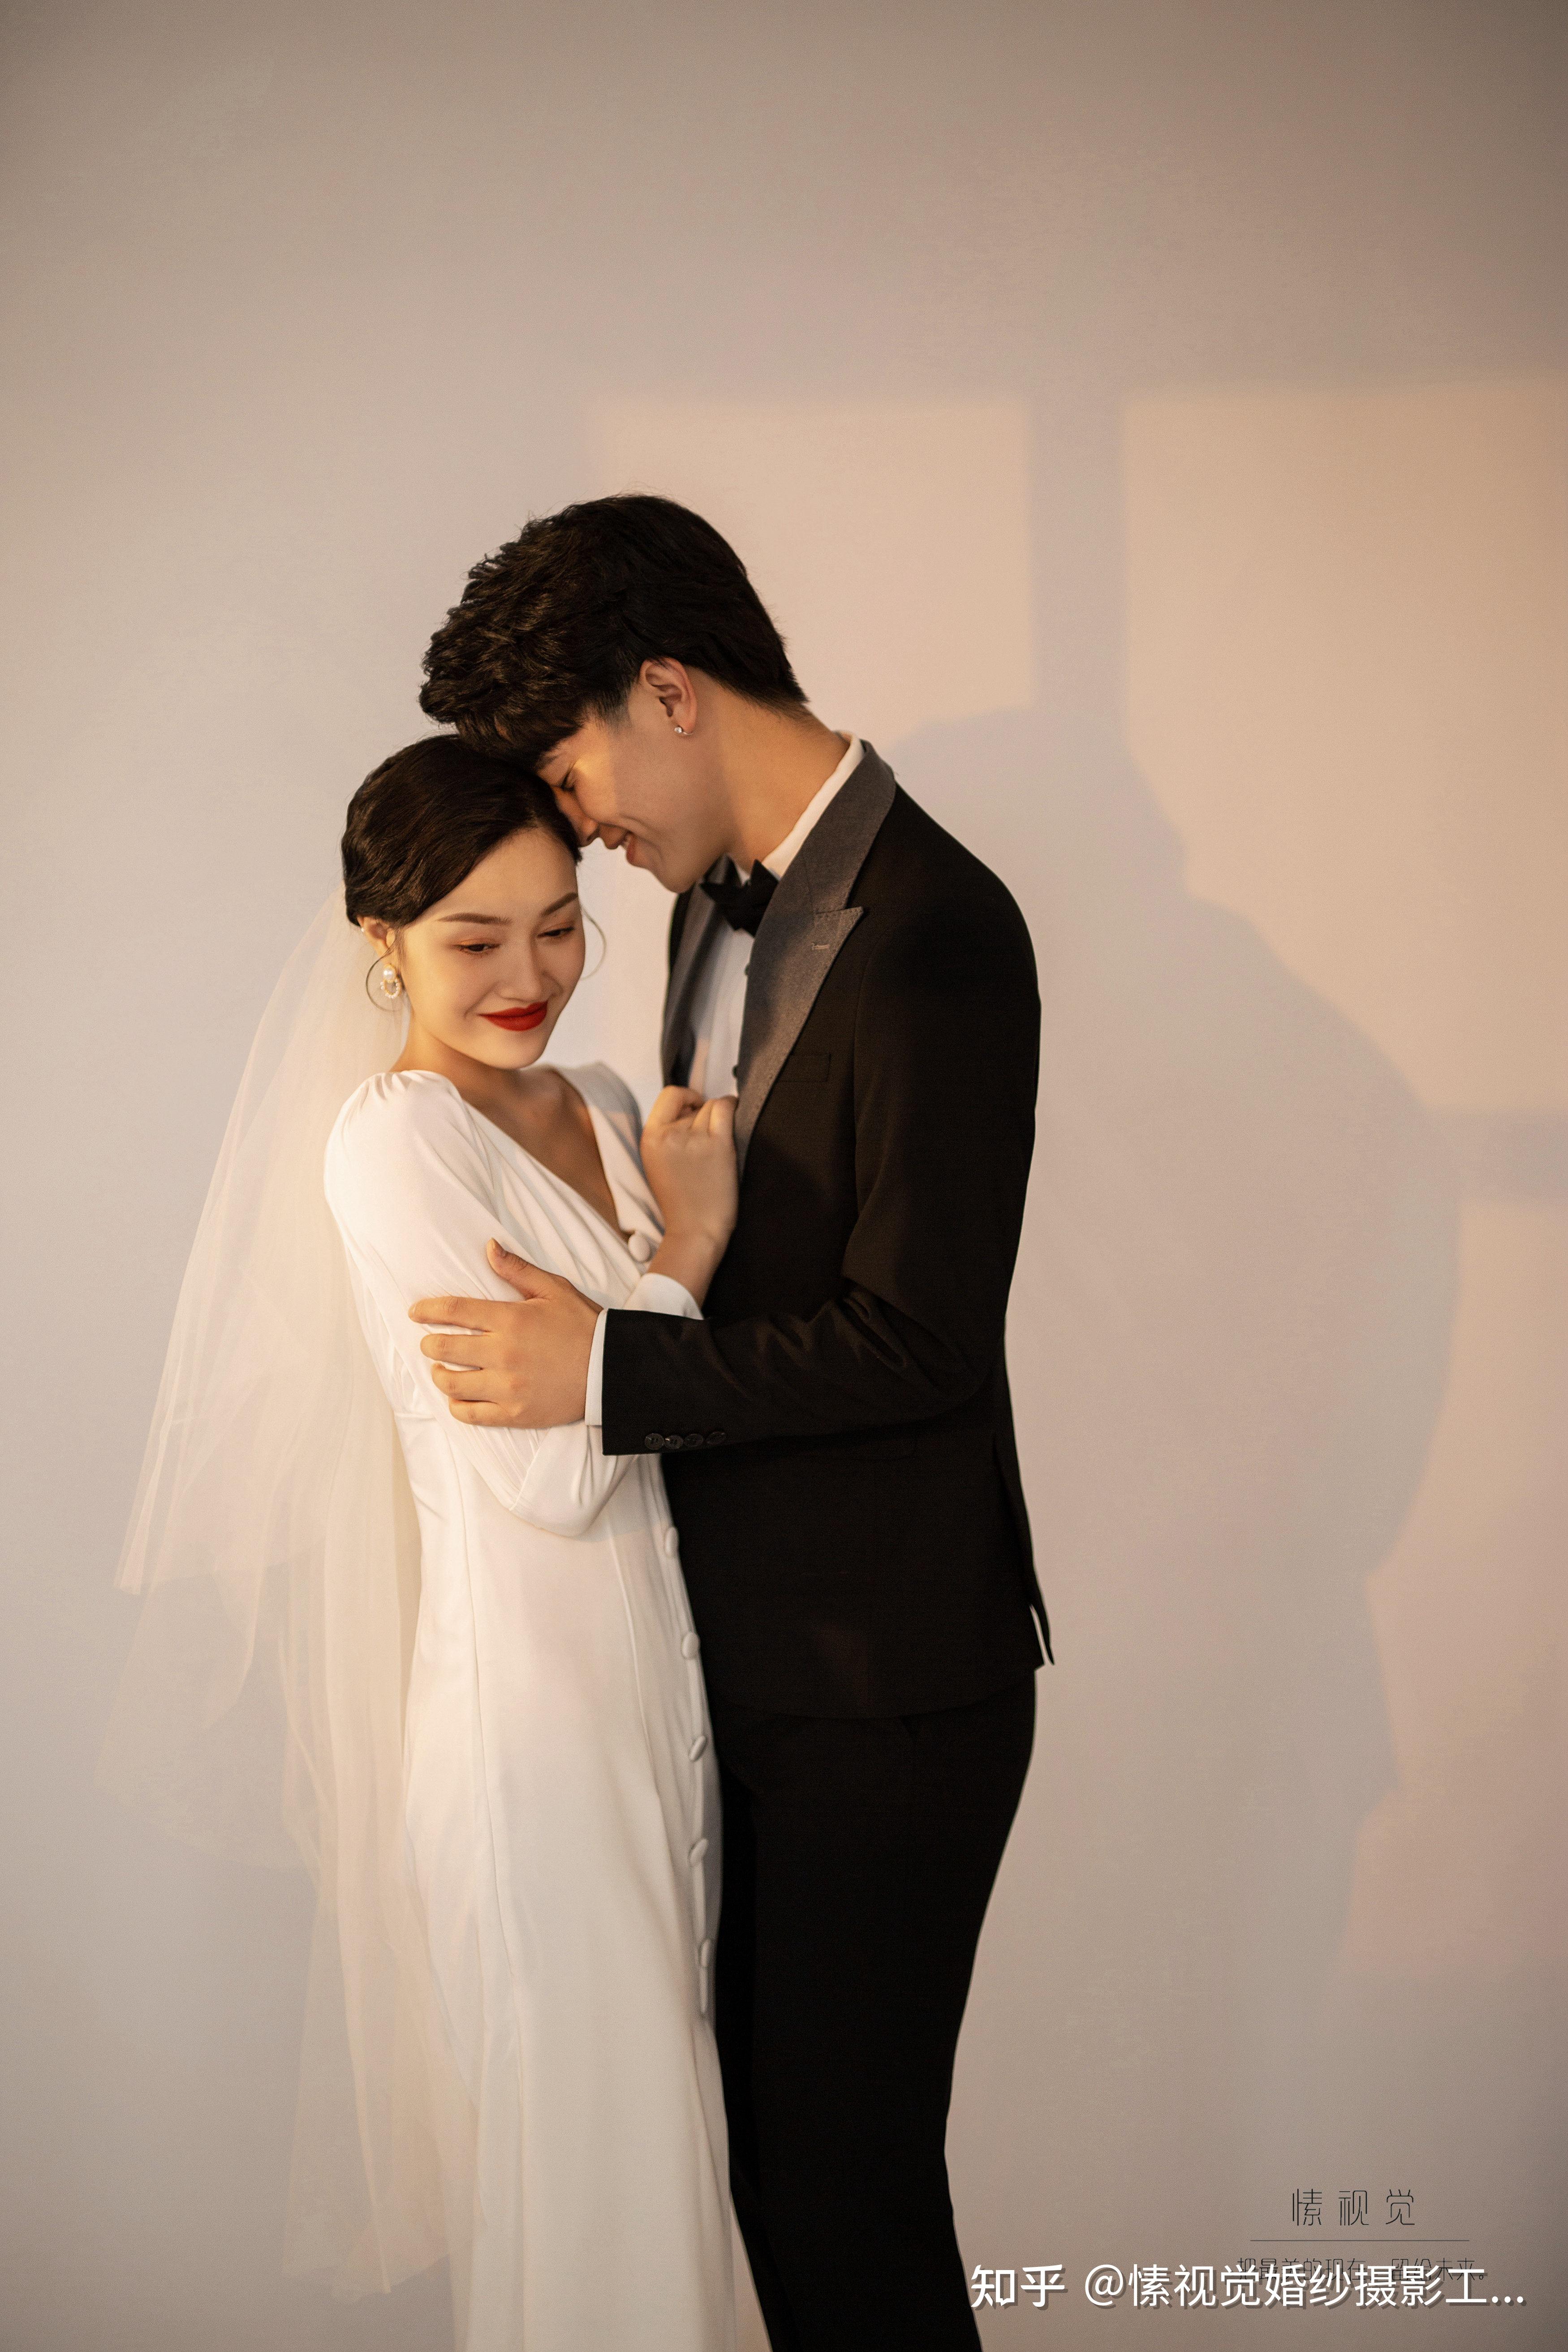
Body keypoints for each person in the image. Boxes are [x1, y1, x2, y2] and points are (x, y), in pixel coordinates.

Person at [415, 494, 1054, 2352]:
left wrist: (606, 1374)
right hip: (743, 1669)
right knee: (770, 2185)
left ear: (670, 690)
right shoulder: (703, 908)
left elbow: (919, 1341)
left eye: (570, 769)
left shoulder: (940, 928)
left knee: (846, 2202)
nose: (579, 825)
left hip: (888, 1684)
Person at [99, 736, 743, 2352]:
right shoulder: (393, 1143)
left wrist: (632, 1317)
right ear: (380, 939)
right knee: (596, 2200)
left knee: (658, 2175)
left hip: (655, 1718)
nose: (530, 976)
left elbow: (630, 1412)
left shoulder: (600, 1107)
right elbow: (555, 1474)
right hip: (531, 1749)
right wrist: (690, 1247)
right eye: (475, 937)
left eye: (558, 924)